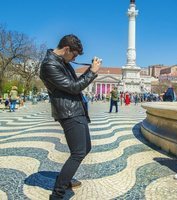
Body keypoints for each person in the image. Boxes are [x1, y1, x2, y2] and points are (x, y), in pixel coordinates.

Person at [39, 34, 101, 200]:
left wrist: (89, 70)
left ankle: (64, 179)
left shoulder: (62, 62)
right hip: (68, 113)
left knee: (85, 148)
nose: (75, 58)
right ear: (66, 49)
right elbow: (74, 88)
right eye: (74, 54)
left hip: (75, 109)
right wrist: (92, 73)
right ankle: (58, 193)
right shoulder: (49, 65)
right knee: (78, 152)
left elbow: (74, 85)